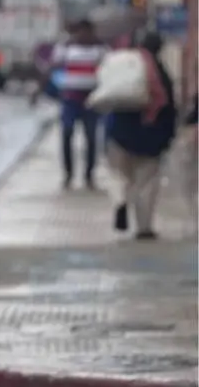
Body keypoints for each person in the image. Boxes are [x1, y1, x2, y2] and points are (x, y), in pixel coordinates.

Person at [105, 33, 177, 240]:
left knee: (119, 176)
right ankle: (144, 227)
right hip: (151, 137)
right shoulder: (161, 73)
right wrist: (168, 137)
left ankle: (120, 201)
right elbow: (168, 108)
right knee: (146, 182)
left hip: (120, 133)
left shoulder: (124, 67)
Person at [48, 19, 108, 189]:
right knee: (67, 134)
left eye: (87, 32)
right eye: (80, 32)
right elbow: (53, 66)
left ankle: (89, 175)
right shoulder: (66, 48)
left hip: (91, 100)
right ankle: (68, 174)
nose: (84, 35)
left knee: (91, 138)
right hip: (70, 99)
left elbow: (108, 69)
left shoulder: (100, 49)